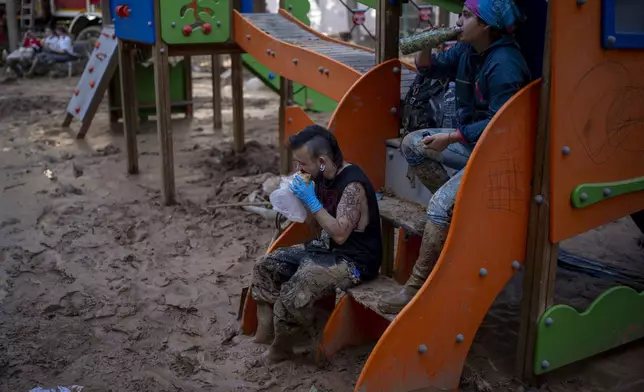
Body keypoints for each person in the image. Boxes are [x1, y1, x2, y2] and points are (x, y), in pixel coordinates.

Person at [378, 0, 531, 314]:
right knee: (412, 144)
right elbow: (429, 68)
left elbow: (500, 124)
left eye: (465, 15)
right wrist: (427, 44)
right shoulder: (466, 51)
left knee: (437, 208)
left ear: (486, 24)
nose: (459, 21)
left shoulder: (505, 63)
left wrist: (452, 136)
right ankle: (458, 209)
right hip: (473, 143)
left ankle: (414, 288)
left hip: (501, 154)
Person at [251, 125, 382, 363]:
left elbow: (340, 234)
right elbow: (314, 227)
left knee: (299, 284)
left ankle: (282, 348)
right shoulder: (320, 176)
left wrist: (311, 200)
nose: (298, 169)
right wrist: (297, 198)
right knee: (266, 264)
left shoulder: (352, 185)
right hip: (326, 248)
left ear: (322, 161)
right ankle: (266, 333)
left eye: (301, 164)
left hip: (354, 260)